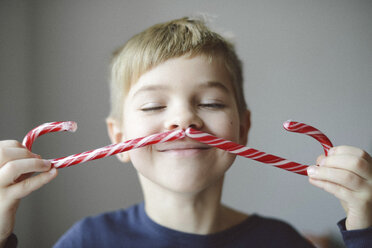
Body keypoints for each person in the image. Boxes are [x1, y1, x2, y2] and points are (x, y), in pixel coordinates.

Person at [0, 17, 371, 248]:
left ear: (242, 128)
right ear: (119, 138)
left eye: (210, 103)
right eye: (153, 106)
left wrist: (365, 224)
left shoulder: (282, 241)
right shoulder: (87, 241)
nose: (183, 120)